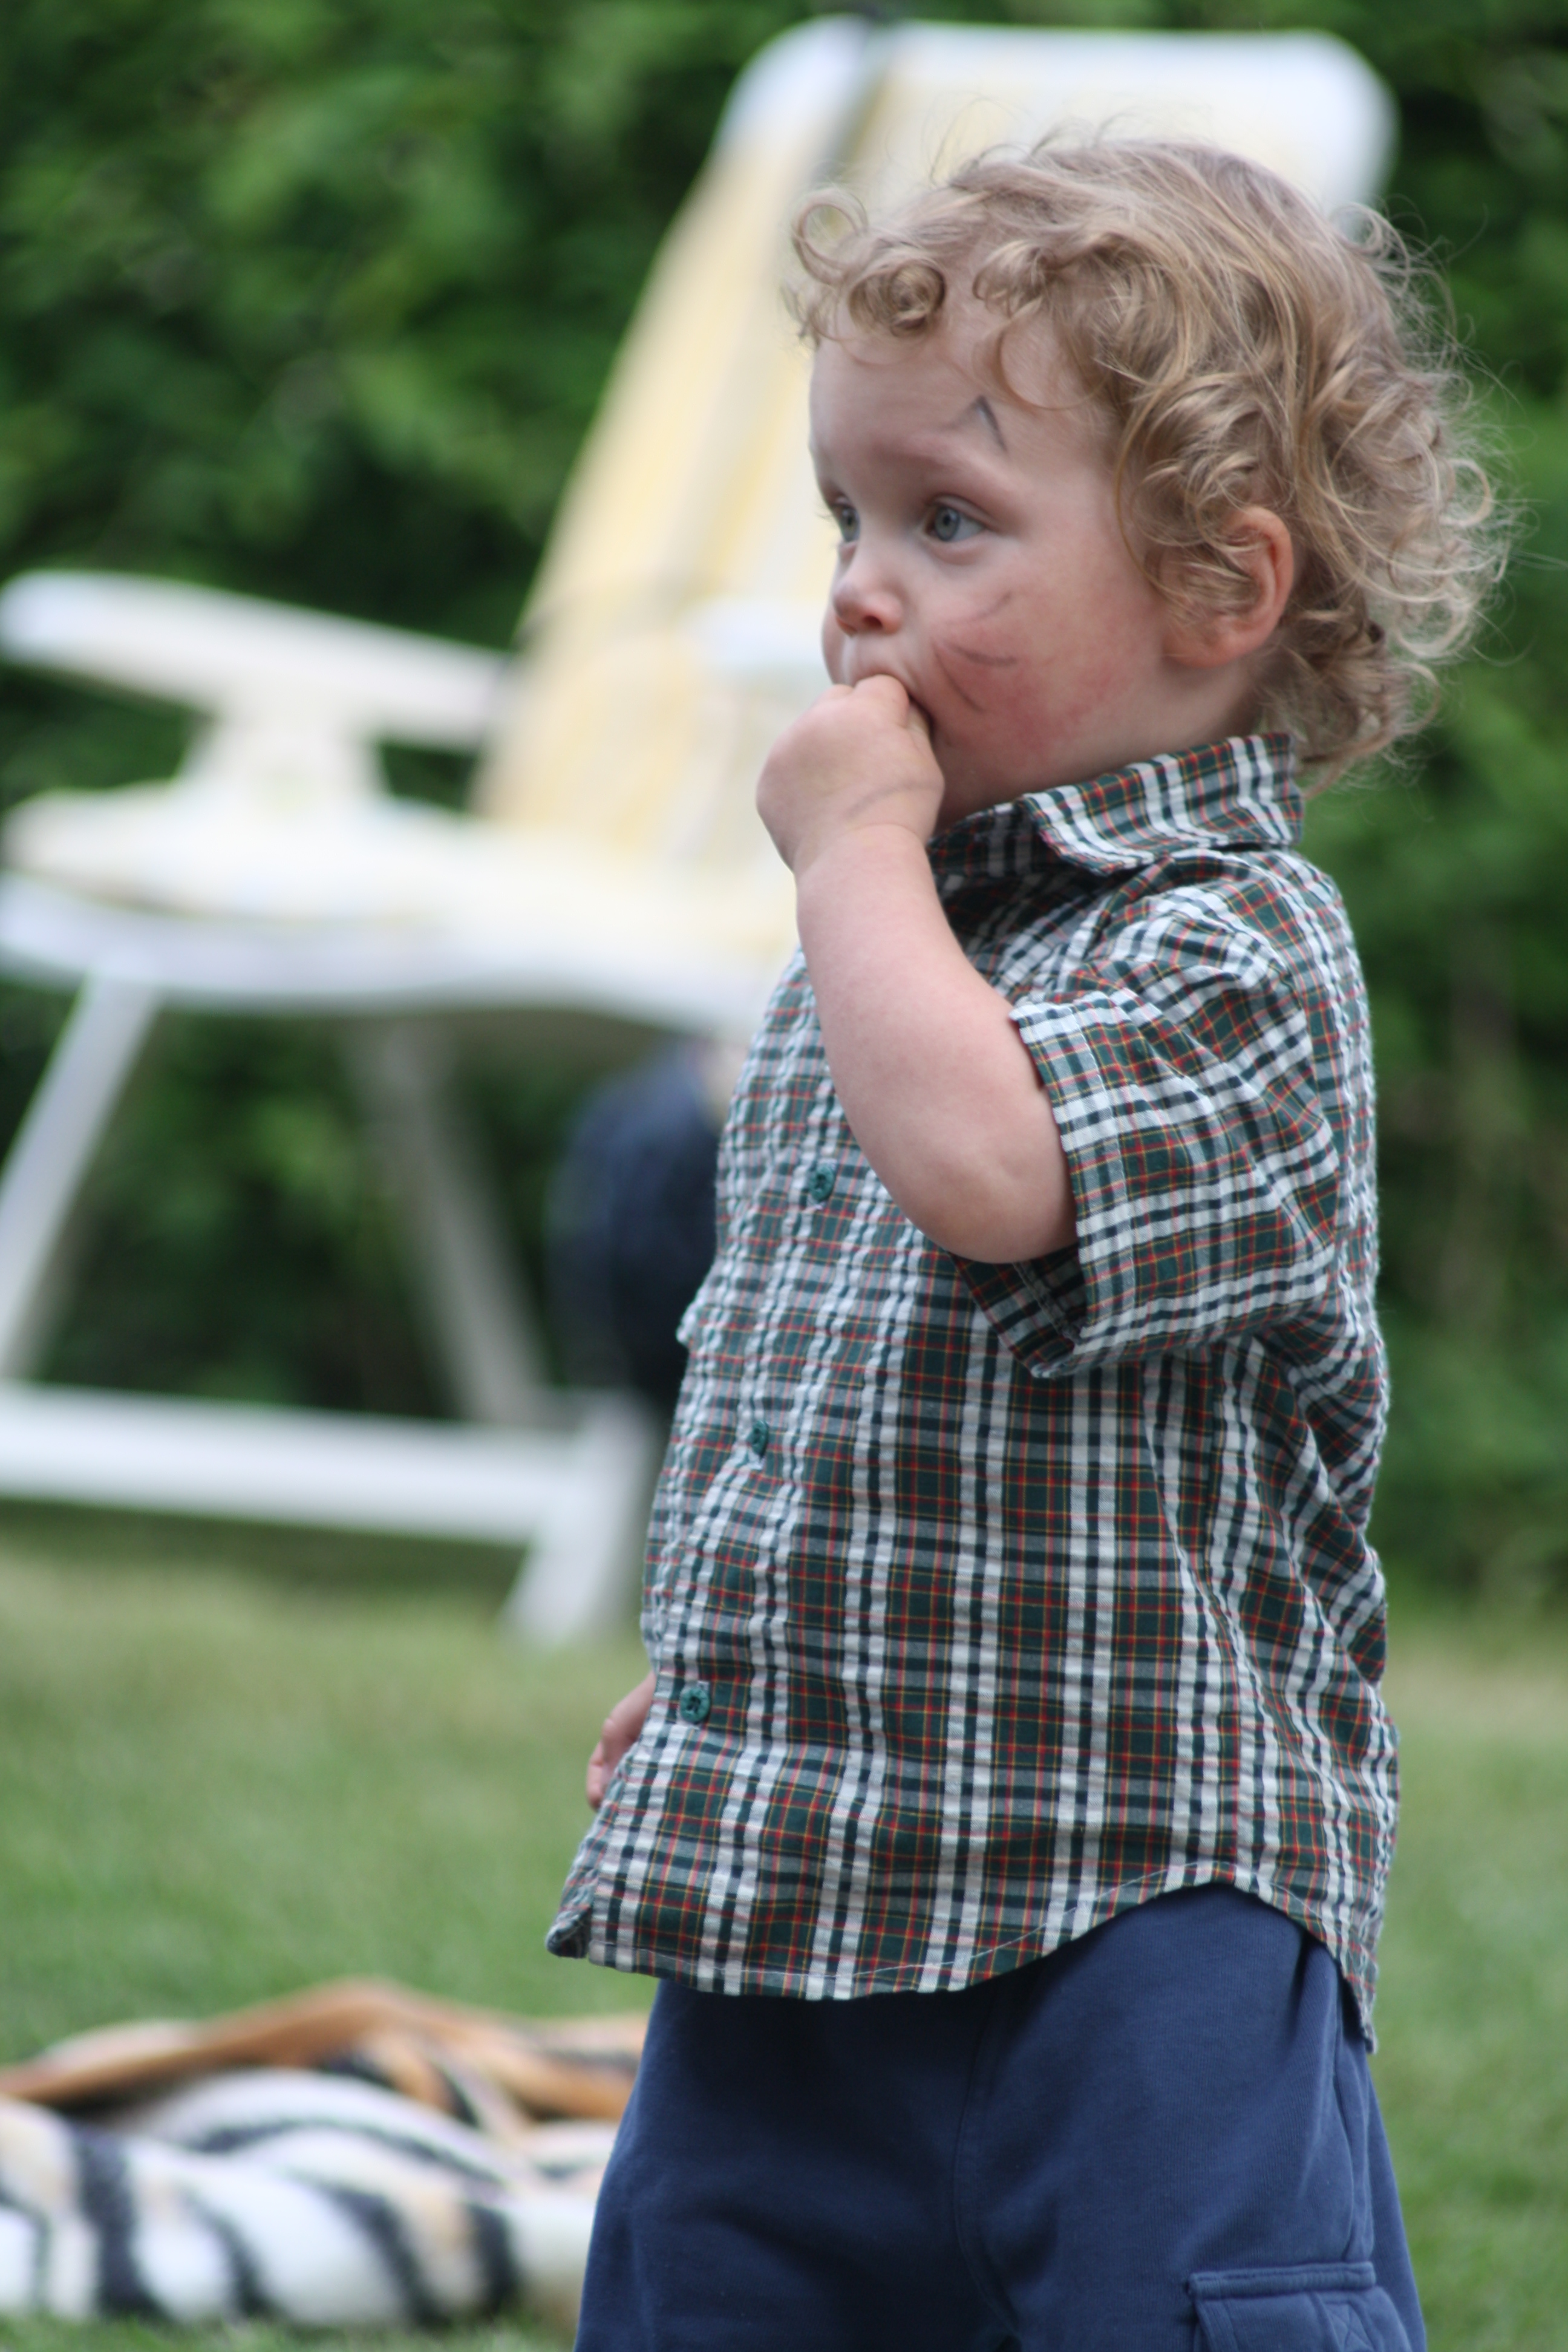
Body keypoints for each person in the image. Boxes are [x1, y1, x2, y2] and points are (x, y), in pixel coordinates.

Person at [549, 136, 1500, 2351]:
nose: (861, 595)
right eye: (846, 518)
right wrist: (740, 1669)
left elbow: (997, 1184)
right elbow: (828, 1366)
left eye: (950, 522)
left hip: (1133, 1915)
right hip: (813, 1877)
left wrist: (851, 866)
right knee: (710, 2292)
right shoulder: (904, 937)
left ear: (1220, 588)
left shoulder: (1236, 950)